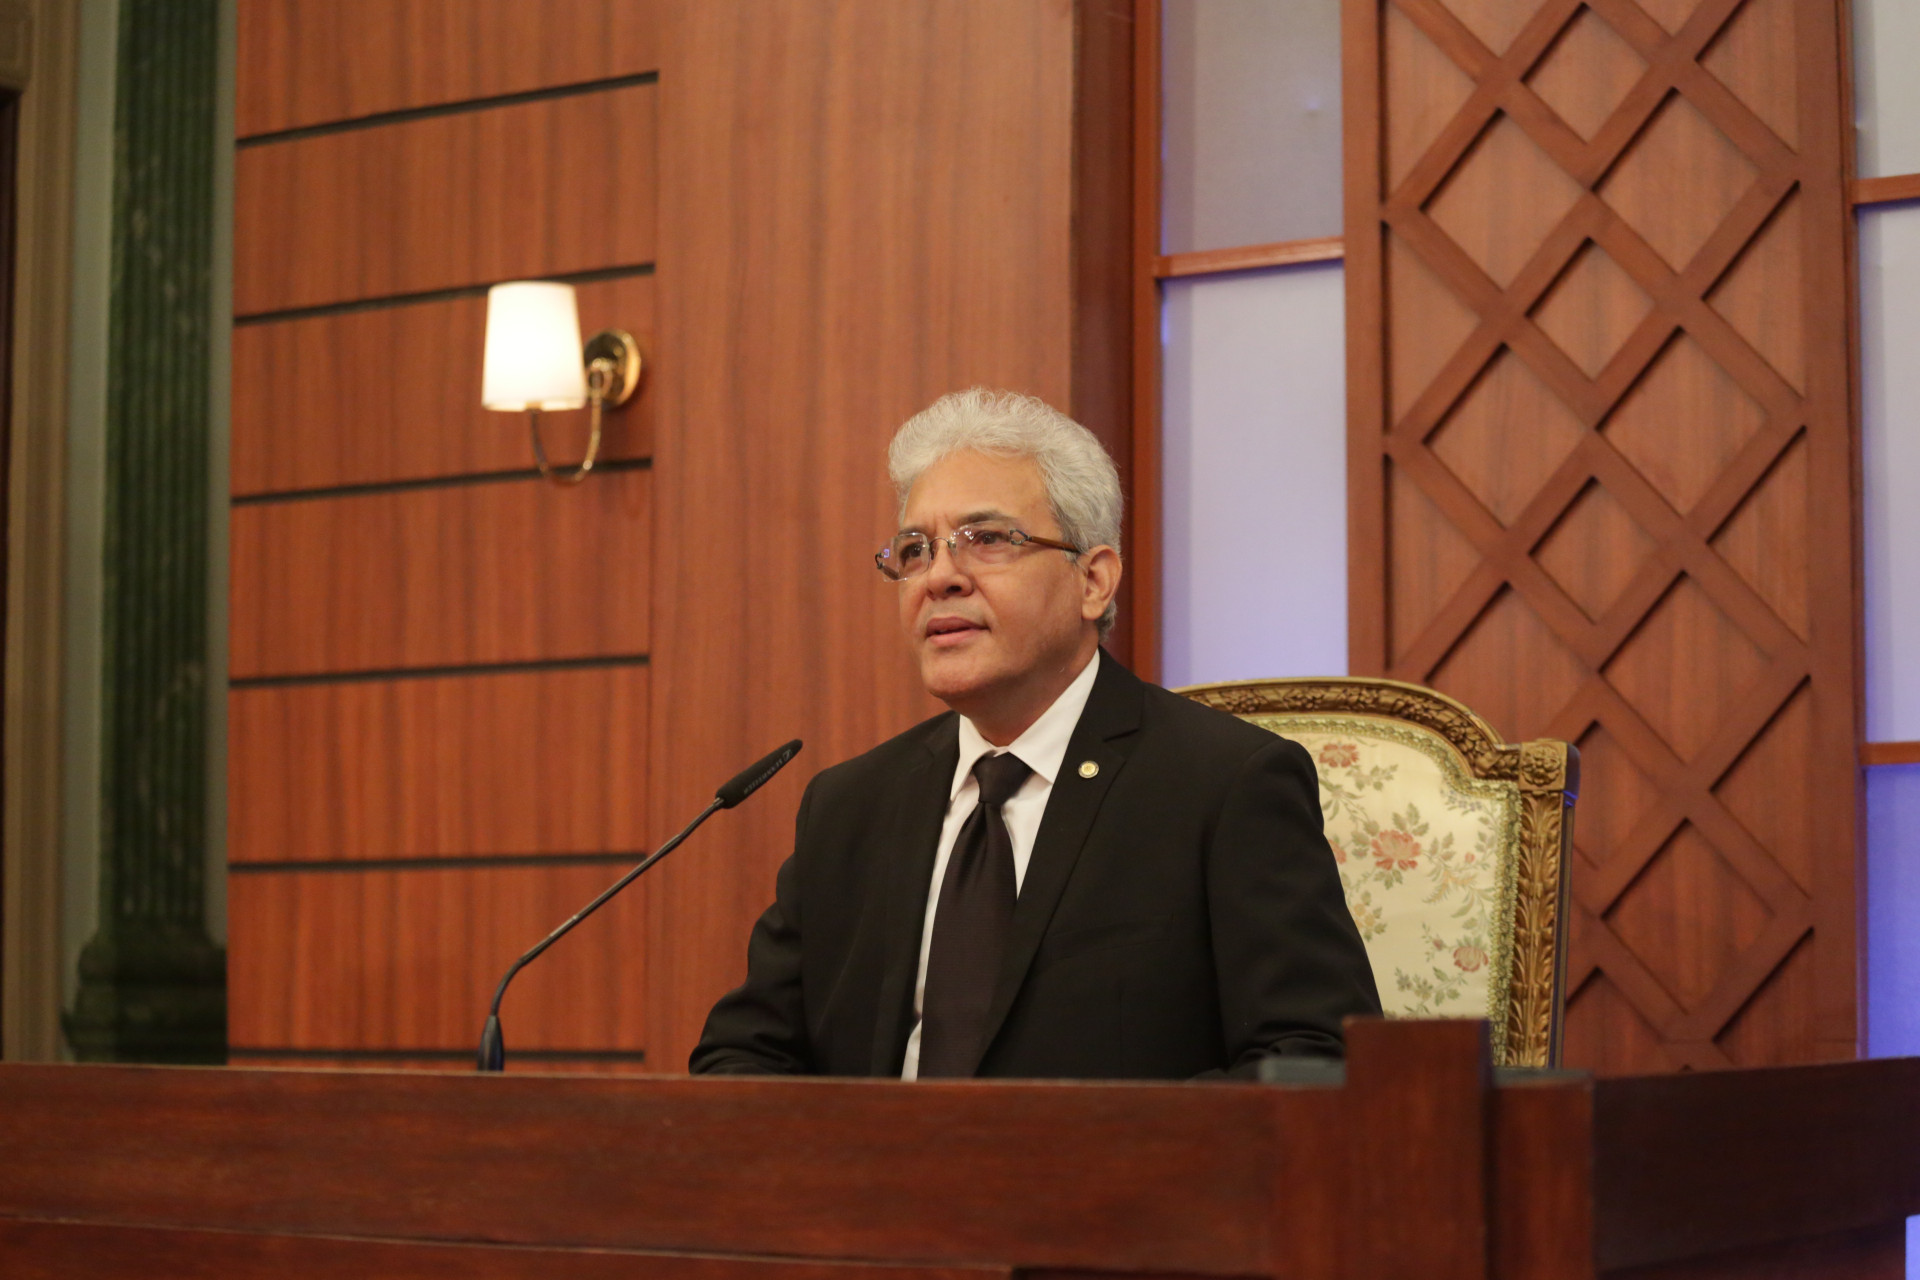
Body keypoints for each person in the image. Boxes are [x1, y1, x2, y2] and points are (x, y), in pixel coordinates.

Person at [691, 389, 1380, 1079]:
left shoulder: (1222, 785)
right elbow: (741, 1055)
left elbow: (1315, 1061)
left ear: (1093, 581)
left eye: (988, 540)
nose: (940, 577)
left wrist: (1096, 1143)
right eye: (915, 550)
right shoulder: (850, 807)